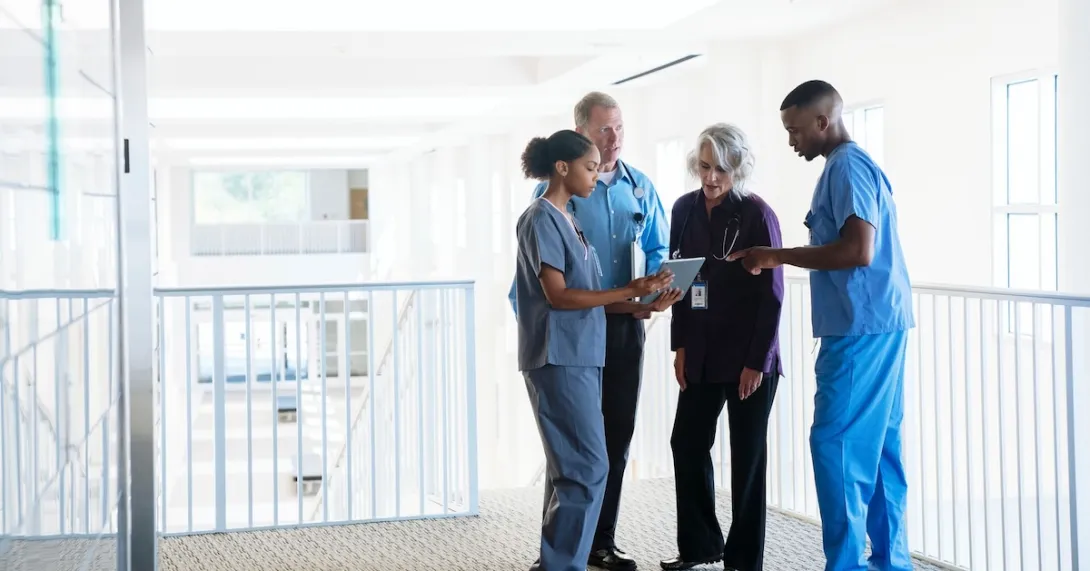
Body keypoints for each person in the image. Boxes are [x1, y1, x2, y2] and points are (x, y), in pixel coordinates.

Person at [728, 80, 915, 571]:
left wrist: (776, 255)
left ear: (822, 121)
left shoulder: (847, 167)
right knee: (879, 447)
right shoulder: (847, 166)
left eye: (795, 130)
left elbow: (858, 250)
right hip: (880, 321)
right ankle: (891, 562)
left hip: (860, 328)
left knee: (836, 445)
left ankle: (847, 564)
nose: (791, 141)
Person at [508, 91, 672, 571]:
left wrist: (639, 299)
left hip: (588, 346)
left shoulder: (580, 215)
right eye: (590, 166)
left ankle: (570, 557)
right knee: (582, 465)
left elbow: (593, 290)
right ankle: (561, 562)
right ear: (564, 166)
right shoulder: (542, 216)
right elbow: (560, 296)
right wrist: (626, 291)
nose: (597, 174)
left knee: (588, 461)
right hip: (560, 351)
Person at [658, 124, 784, 571]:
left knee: (747, 459)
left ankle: (743, 562)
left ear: (739, 168)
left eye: (722, 169)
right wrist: (680, 346)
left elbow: (773, 295)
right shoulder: (684, 210)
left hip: (748, 354)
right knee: (686, 442)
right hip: (701, 350)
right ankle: (700, 545)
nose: (711, 178)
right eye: (705, 166)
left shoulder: (758, 214)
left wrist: (757, 362)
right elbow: (679, 280)